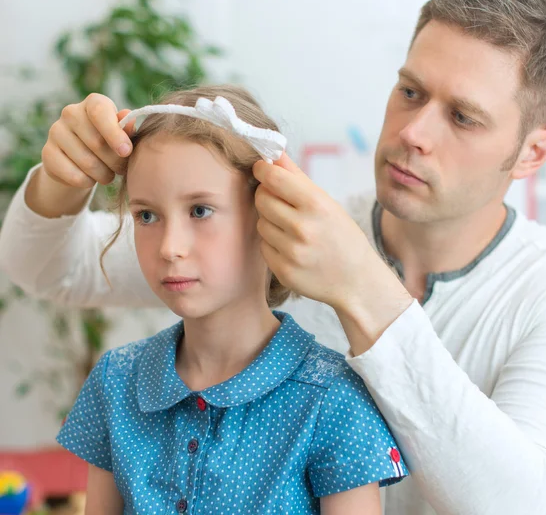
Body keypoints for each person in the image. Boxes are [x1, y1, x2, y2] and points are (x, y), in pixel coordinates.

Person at [1, 0, 546, 513]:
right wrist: (65, 176)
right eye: (411, 91)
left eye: (464, 117)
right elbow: (54, 269)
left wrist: (362, 286)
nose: (414, 133)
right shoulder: (277, 220)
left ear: (533, 153)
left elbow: (525, 504)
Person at [52, 84, 408, 514]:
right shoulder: (116, 382)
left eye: (200, 210)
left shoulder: (332, 400)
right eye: (147, 215)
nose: (170, 247)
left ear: (270, 214)